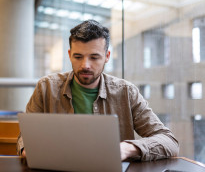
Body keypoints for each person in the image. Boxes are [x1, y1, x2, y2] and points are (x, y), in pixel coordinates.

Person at [17, 20, 179, 161]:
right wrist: (26, 150)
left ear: (107, 56)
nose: (85, 65)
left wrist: (127, 149)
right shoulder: (45, 88)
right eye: (78, 56)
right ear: (70, 54)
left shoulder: (126, 92)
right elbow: (25, 137)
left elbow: (169, 141)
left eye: (94, 57)